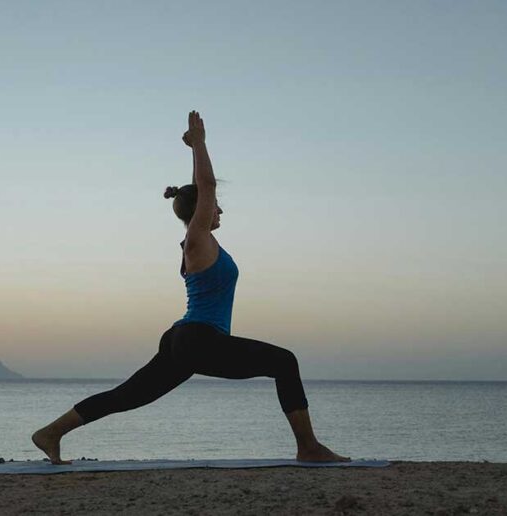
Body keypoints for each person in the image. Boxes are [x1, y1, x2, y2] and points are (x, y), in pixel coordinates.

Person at [32, 111, 350, 464]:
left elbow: (198, 192)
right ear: (202, 210)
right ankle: (308, 447)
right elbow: (206, 188)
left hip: (184, 340)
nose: (220, 212)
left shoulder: (201, 242)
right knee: (285, 362)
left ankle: (50, 433)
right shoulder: (196, 239)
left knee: (128, 395)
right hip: (199, 338)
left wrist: (193, 164)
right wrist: (199, 143)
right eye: (215, 208)